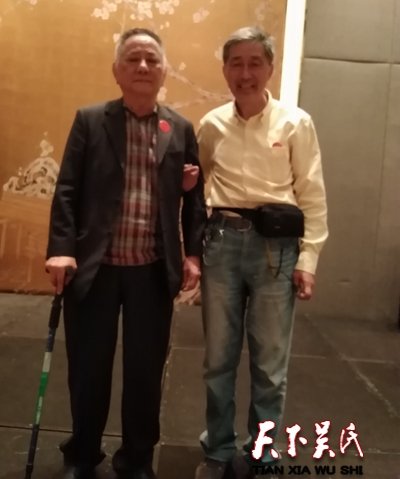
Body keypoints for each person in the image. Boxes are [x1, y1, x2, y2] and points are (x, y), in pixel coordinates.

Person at [45, 28, 206, 479]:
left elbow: (195, 199)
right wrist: (61, 250)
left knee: (144, 373)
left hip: (151, 270)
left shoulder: (179, 128)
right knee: (88, 369)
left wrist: (193, 256)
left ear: (164, 71)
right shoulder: (90, 120)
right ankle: (82, 454)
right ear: (116, 71)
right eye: (133, 59)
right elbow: (67, 190)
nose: (142, 67)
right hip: (93, 268)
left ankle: (136, 459)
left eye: (152, 60)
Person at [195, 26, 328, 479]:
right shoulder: (211, 125)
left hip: (277, 250)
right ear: (225, 70)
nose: (246, 73)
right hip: (221, 245)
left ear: (270, 68)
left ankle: (263, 451)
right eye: (236, 63)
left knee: (270, 362)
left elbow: (312, 194)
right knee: (218, 358)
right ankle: (218, 448)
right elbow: (197, 186)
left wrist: (308, 259)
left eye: (255, 63)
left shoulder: (295, 123)